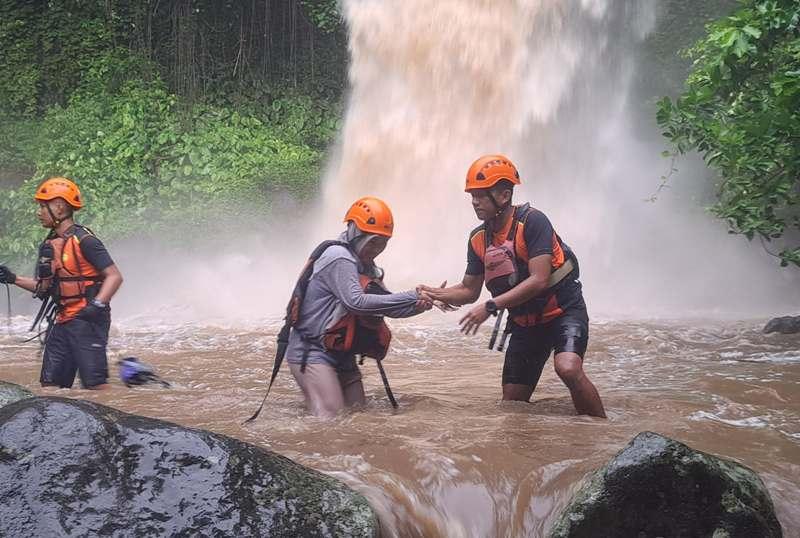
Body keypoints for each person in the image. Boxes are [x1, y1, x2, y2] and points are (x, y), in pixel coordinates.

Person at [418, 155, 606, 417]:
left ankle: (601, 433)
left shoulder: (533, 221)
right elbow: (469, 290)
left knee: (568, 368)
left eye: (481, 195)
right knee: (512, 404)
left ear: (504, 195)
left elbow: (539, 279)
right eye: (472, 196)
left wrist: (492, 305)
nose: (474, 202)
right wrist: (433, 293)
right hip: (525, 324)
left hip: (562, 312)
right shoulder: (478, 238)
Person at [284, 196, 431, 418]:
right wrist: (410, 295)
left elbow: (386, 307)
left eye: (383, 242)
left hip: (341, 354)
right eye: (373, 241)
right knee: (331, 416)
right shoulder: (339, 257)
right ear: (355, 233)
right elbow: (357, 302)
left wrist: (420, 305)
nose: (377, 248)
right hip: (311, 351)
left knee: (358, 416)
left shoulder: (367, 266)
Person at [0, 177, 123, 390]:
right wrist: (13, 279)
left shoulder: (85, 240)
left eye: (42, 206)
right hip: (63, 321)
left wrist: (98, 305)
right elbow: (43, 288)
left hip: (88, 321)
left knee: (96, 386)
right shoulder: (49, 245)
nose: (38, 212)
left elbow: (114, 276)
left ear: (60, 206)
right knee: (50, 384)